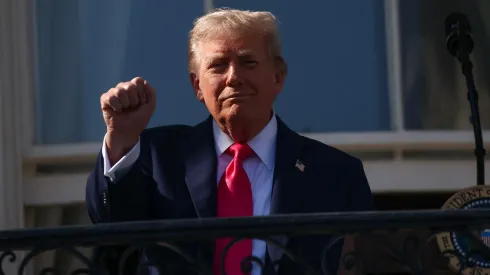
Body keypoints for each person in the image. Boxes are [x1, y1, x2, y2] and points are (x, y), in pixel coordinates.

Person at [85, 7, 375, 275]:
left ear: (278, 76)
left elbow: (362, 264)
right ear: (197, 85)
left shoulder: (337, 174)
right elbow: (111, 228)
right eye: (219, 65)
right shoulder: (158, 156)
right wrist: (121, 140)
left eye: (248, 62)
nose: (234, 77)